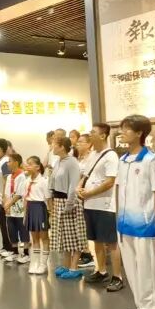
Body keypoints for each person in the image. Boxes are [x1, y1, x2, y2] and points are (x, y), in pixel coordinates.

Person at [116, 115, 155, 309]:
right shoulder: (123, 160)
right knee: (132, 269)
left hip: (145, 225)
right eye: (122, 128)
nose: (122, 132)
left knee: (147, 271)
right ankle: (141, 308)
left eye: (127, 129)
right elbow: (120, 190)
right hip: (124, 223)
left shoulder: (149, 160)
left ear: (139, 133)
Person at [77, 123, 124, 291]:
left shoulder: (111, 156)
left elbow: (110, 182)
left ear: (103, 135)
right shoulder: (93, 155)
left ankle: (117, 276)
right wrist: (79, 187)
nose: (90, 134)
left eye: (93, 132)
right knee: (96, 240)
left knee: (111, 242)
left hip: (104, 206)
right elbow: (85, 176)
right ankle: (101, 271)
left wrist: (89, 193)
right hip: (90, 204)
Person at [49, 136, 87, 280]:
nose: (52, 147)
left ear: (62, 147)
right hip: (58, 200)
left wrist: (69, 203)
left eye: (54, 145)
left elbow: (73, 184)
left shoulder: (72, 162)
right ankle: (66, 265)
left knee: (74, 235)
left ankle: (74, 267)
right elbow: (52, 181)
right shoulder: (58, 161)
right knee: (64, 236)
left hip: (68, 201)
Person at [24, 156, 51, 274]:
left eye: (30, 164)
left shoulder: (44, 181)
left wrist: (51, 214)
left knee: (44, 238)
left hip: (40, 208)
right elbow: (25, 198)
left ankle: (43, 264)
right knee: (34, 238)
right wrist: (25, 214)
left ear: (38, 167)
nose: (27, 166)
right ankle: (34, 262)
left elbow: (48, 199)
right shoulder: (26, 181)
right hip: (30, 208)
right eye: (27, 164)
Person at [3, 153, 30, 264]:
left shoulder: (22, 176)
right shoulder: (9, 177)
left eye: (9, 161)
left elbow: (19, 194)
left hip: (19, 207)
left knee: (22, 230)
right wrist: (6, 204)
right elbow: (6, 192)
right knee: (11, 229)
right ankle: (14, 252)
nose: (7, 163)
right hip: (10, 207)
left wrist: (9, 204)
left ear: (16, 162)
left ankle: (26, 254)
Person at [75, 133, 96, 269]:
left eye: (81, 142)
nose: (78, 144)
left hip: (87, 194)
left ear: (89, 144)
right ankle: (85, 252)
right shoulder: (79, 159)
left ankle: (89, 254)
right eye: (77, 142)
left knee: (86, 224)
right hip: (78, 194)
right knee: (81, 225)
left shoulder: (92, 158)